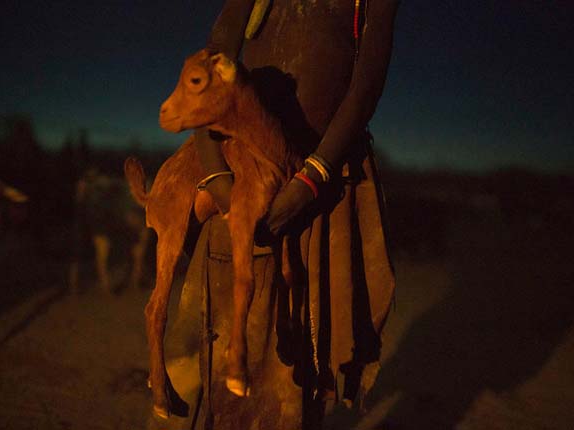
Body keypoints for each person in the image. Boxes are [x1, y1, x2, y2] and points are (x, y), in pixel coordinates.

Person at [161, 1, 398, 429]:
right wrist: (219, 180)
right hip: (235, 182)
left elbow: (365, 86)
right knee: (204, 357)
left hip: (320, 197)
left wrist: (311, 180)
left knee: (292, 375)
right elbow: (211, 66)